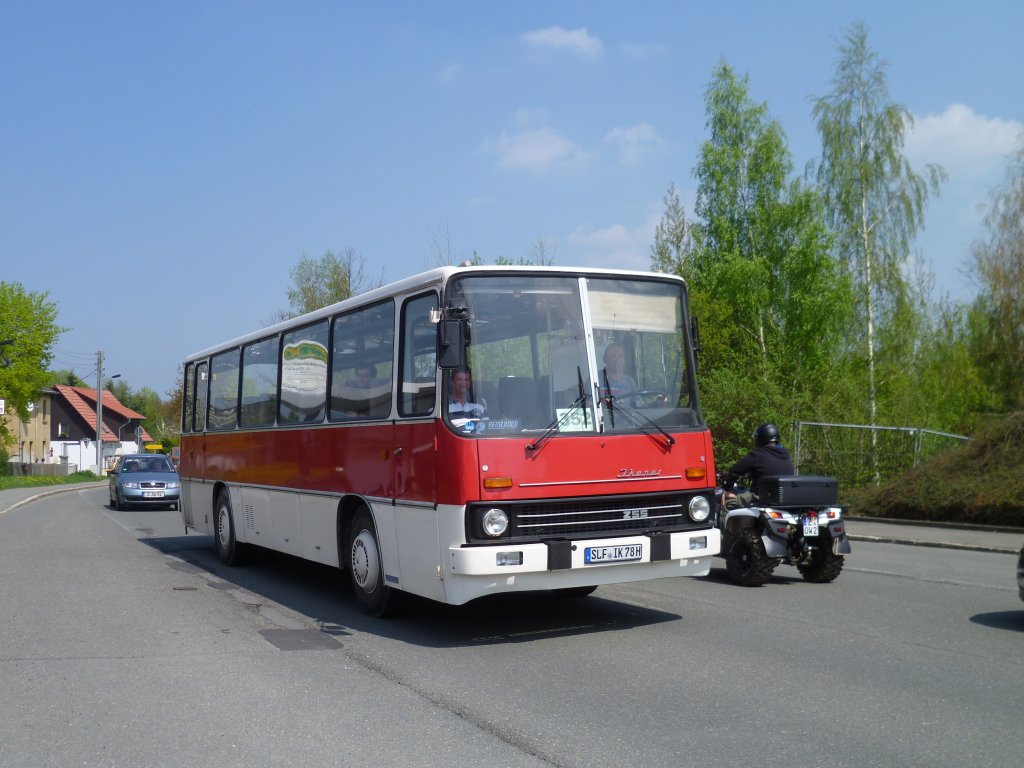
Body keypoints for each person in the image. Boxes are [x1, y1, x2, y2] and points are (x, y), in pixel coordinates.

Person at [721, 423, 795, 509]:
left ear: (760, 438)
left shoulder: (757, 455)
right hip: (784, 499)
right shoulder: (785, 453)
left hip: (762, 497)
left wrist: (727, 489)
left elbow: (735, 470)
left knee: (727, 504)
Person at [448, 365, 486, 433]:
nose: (463, 383)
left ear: (470, 382)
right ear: (453, 381)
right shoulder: (442, 407)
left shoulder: (480, 406)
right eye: (459, 379)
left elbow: (486, 429)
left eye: (466, 380)